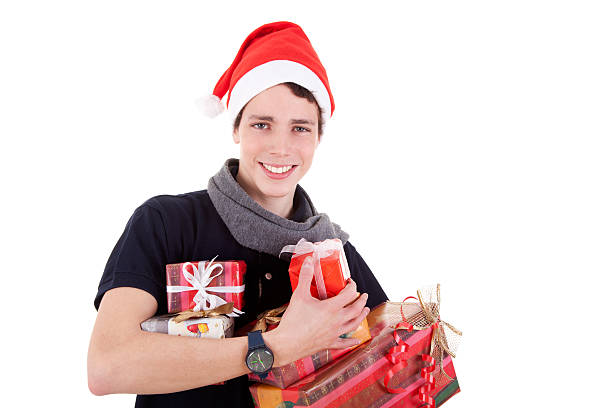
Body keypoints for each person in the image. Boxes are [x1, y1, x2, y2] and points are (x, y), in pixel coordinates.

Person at [87, 21, 388, 407]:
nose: (281, 147)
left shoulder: (334, 256)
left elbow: (385, 368)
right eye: (262, 124)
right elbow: (106, 366)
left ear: (318, 138)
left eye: (300, 128)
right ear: (236, 129)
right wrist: (275, 348)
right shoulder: (166, 223)